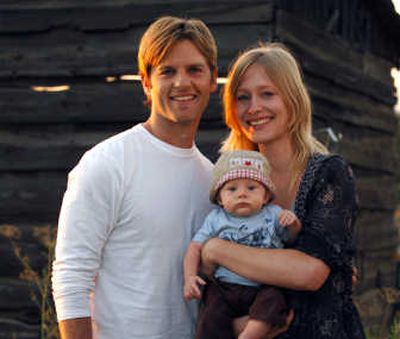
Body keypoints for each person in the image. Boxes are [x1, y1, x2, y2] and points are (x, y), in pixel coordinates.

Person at [51, 16, 218, 339]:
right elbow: (71, 277)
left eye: (194, 70)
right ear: (146, 81)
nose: (182, 83)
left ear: (213, 79)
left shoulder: (212, 180)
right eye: (167, 71)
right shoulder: (108, 163)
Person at [200, 43, 366, 338]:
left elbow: (310, 273)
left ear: (292, 99)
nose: (254, 108)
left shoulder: (329, 173)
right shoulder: (227, 179)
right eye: (242, 97)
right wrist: (240, 325)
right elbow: (207, 276)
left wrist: (217, 249)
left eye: (267, 93)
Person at [183, 150, 301, 339]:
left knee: (273, 300)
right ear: (220, 198)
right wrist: (189, 277)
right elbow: (195, 247)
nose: (242, 194)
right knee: (211, 314)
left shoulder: (273, 214)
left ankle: (251, 335)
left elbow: (291, 239)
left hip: (263, 284)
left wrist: (293, 224)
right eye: (232, 189)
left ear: (265, 196)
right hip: (225, 286)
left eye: (252, 188)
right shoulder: (216, 219)